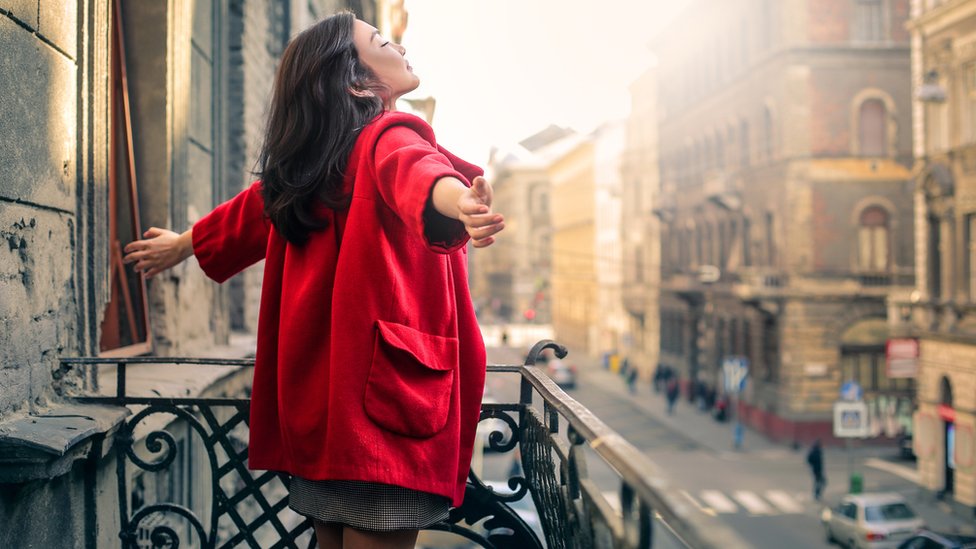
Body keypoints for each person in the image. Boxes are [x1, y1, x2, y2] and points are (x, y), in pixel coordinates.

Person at [122, 12, 504, 549]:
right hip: (383, 416)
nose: (394, 42)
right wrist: (458, 200)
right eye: (378, 40)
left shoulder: (312, 163)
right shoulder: (389, 132)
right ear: (356, 81)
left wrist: (183, 244)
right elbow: (417, 169)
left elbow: (253, 209)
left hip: (321, 410)